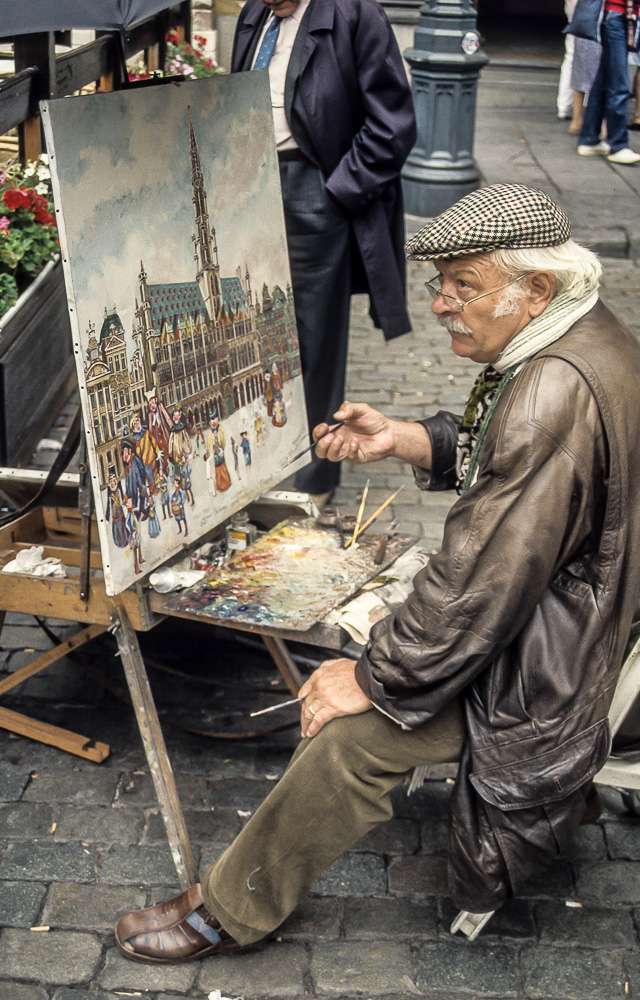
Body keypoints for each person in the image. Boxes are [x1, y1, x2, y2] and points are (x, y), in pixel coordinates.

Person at [114, 184, 640, 963]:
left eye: (465, 287)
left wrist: (373, 676)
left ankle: (228, 911)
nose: (442, 305)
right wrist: (406, 438)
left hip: (550, 663)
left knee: (352, 735)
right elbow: (525, 477)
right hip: (577, 620)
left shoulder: (553, 390)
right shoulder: (585, 334)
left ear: (537, 290)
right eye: (441, 284)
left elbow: (480, 588)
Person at [230, 0, 416, 506]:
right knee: (253, 337)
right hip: (251, 187)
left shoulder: (356, 14)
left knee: (312, 339)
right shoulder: (256, 13)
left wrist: (336, 192)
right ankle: (260, 463)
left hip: (314, 186)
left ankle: (312, 481)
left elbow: (393, 127)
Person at [576, 0, 640, 163]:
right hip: (616, 14)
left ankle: (589, 139)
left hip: (616, 14)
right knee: (619, 84)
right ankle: (618, 145)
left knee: (602, 82)